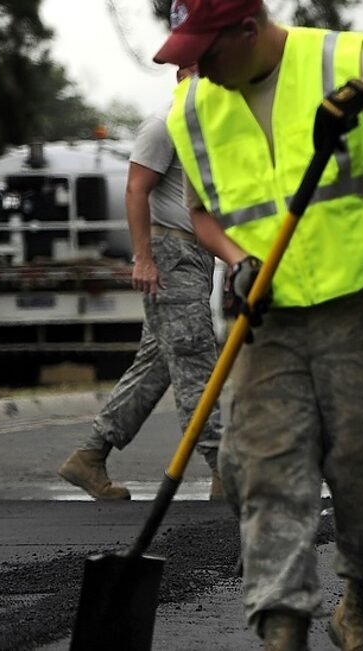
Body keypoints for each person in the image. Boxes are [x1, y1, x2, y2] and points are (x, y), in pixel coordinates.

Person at [152, 0, 363, 649]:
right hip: (272, 318)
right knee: (267, 473)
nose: (196, 68)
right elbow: (203, 212)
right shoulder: (193, 107)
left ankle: (360, 605)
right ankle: (283, 627)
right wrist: (237, 260)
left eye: (206, 51)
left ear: (247, 27)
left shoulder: (341, 60)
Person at [58, 65, 228, 502]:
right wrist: (144, 259)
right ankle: (225, 470)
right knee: (196, 361)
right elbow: (136, 190)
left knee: (153, 370)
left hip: (194, 255)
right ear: (182, 74)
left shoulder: (203, 131)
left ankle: (90, 456)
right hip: (170, 257)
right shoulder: (162, 124)